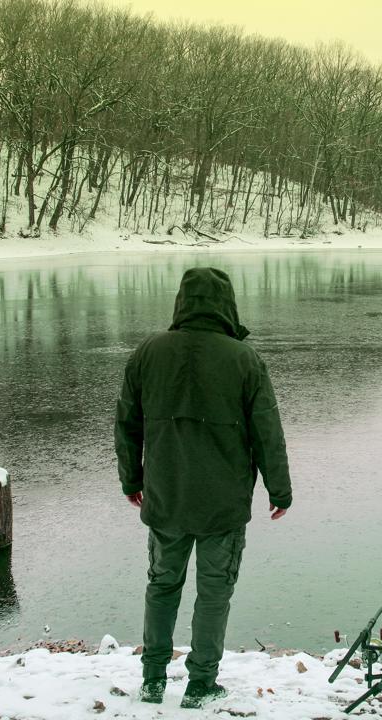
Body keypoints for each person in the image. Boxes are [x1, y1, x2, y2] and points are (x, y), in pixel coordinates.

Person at [115, 267, 293, 709]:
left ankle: (153, 679)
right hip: (223, 504)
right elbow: (267, 431)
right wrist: (279, 490)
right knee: (214, 592)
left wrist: (131, 481)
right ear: (227, 305)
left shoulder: (147, 353)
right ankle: (200, 685)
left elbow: (126, 425)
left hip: (165, 497)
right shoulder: (243, 359)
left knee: (161, 585)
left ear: (181, 301)